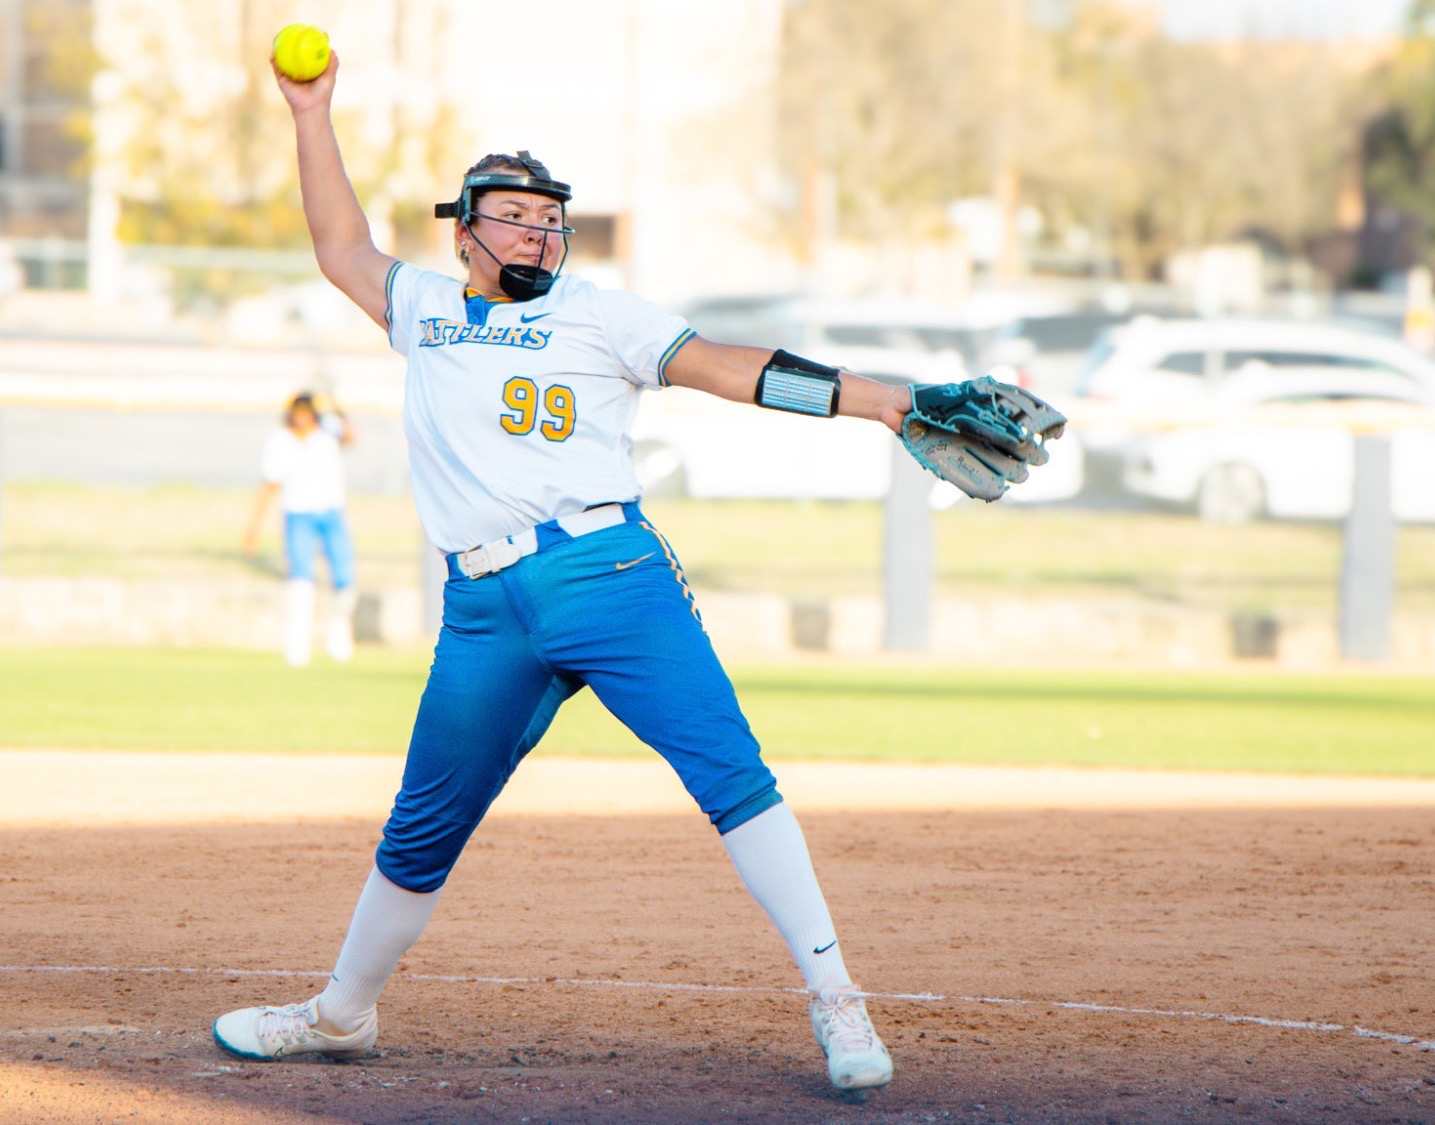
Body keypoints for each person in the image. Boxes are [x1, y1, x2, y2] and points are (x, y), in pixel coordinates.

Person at [212, 49, 924, 1094]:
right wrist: (310, 113)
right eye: (512, 213)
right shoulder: (423, 308)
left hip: (608, 574)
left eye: (549, 215)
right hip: (483, 608)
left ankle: (837, 1001)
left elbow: (728, 368)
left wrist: (886, 400)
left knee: (731, 776)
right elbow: (339, 247)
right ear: (463, 231)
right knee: (424, 821)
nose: (537, 228)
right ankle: (339, 1014)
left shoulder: (601, 313)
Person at [242, 391, 357, 665]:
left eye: (308, 411)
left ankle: (338, 634)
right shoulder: (280, 441)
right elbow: (270, 483)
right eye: (298, 411)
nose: (302, 416)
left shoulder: (328, 431)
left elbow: (351, 436)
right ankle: (298, 646)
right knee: (301, 579)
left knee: (344, 579)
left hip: (331, 512)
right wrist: (253, 528)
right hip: (298, 514)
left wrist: (337, 404)